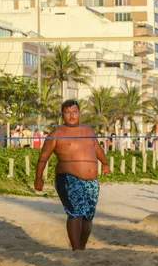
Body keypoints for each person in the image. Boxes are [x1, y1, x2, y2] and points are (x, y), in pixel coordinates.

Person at [34, 99, 110, 251]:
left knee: (88, 216)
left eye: (74, 112)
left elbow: (97, 148)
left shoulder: (88, 130)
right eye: (67, 113)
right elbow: (43, 158)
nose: (71, 116)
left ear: (79, 113)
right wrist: (38, 178)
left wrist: (105, 163)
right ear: (62, 115)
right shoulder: (56, 135)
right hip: (68, 179)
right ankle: (76, 249)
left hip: (91, 182)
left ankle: (81, 248)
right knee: (75, 212)